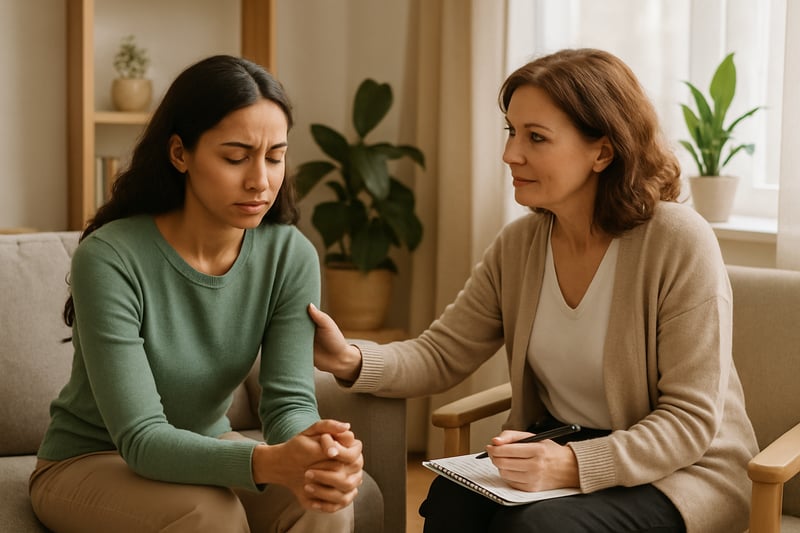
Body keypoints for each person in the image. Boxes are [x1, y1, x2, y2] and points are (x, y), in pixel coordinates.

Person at [310, 48, 758, 533]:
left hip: (680, 472)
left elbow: (688, 421)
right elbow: (442, 353)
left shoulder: (676, 241)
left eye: (536, 137)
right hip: (564, 443)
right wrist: (349, 359)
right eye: (511, 131)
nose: (510, 154)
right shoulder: (520, 244)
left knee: (540, 527)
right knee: (451, 501)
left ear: (602, 152)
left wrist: (571, 465)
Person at [29, 55, 363, 533]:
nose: (260, 181)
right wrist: (270, 463)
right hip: (91, 460)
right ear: (180, 153)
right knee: (210, 513)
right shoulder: (110, 258)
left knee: (320, 497)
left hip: (205, 451)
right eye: (235, 157)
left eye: (274, 157)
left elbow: (288, 404)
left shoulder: (291, 255)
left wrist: (312, 452)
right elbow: (142, 438)